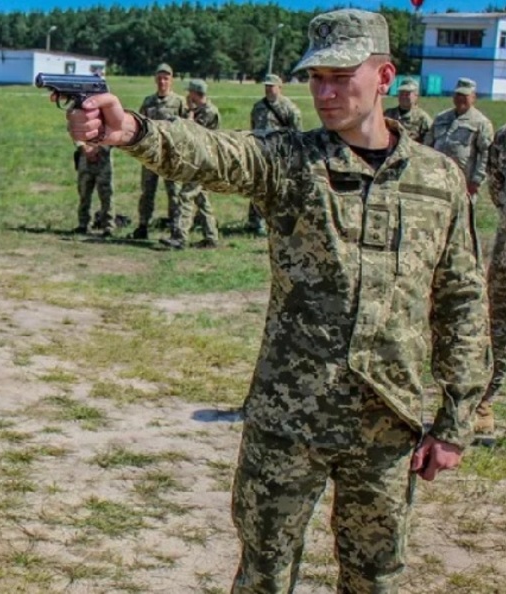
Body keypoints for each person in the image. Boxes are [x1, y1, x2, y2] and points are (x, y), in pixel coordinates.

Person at [63, 9, 489, 592]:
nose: (327, 91)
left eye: (342, 75)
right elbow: (215, 153)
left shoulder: (438, 181)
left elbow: (462, 301)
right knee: (264, 571)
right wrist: (134, 131)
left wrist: (457, 418)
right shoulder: (291, 162)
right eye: (317, 78)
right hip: (289, 420)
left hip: (388, 423)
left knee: (375, 576)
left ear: (385, 76)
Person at [161, 79, 219, 250]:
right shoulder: (199, 109)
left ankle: (180, 237)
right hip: (197, 161)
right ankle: (211, 236)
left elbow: (195, 135)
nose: (187, 95)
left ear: (195, 93)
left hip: (201, 162)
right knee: (201, 199)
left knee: (186, 196)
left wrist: (190, 116)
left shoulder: (209, 112)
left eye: (190, 92)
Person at [132, 63, 187, 240]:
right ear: (155, 80)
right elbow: (139, 126)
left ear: (171, 80)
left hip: (172, 156)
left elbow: (188, 128)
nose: (162, 82)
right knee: (147, 192)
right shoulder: (148, 102)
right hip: (151, 155)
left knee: (175, 194)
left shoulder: (179, 102)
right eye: (160, 78)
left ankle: (176, 230)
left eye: (166, 78)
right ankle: (143, 226)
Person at [248, 73, 302, 236]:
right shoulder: (258, 107)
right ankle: (254, 221)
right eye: (266, 86)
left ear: (280, 87)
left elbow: (297, 134)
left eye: (271, 86)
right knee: (256, 186)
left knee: (276, 189)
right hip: (260, 153)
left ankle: (275, 221)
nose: (268, 89)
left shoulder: (289, 108)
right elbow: (253, 127)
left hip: (279, 156)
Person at [480, 125, 506, 434]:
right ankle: (483, 402)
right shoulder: (503, 137)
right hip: (505, 252)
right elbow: (495, 178)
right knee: (496, 325)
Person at [425, 78, 493, 197]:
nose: (460, 98)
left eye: (465, 95)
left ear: (473, 97)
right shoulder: (441, 118)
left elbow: (485, 153)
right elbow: (427, 145)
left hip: (464, 181)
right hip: (437, 177)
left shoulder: (481, 122)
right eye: (458, 94)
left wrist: (476, 181)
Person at [73, 141, 113, 235]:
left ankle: (108, 226)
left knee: (106, 194)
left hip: (103, 157)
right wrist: (83, 148)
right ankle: (83, 224)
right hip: (84, 157)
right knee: (84, 192)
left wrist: (99, 149)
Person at [383, 77, 432, 143]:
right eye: (401, 93)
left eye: (407, 94)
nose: (403, 96)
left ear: (416, 95)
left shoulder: (423, 118)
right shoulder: (388, 114)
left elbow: (431, 141)